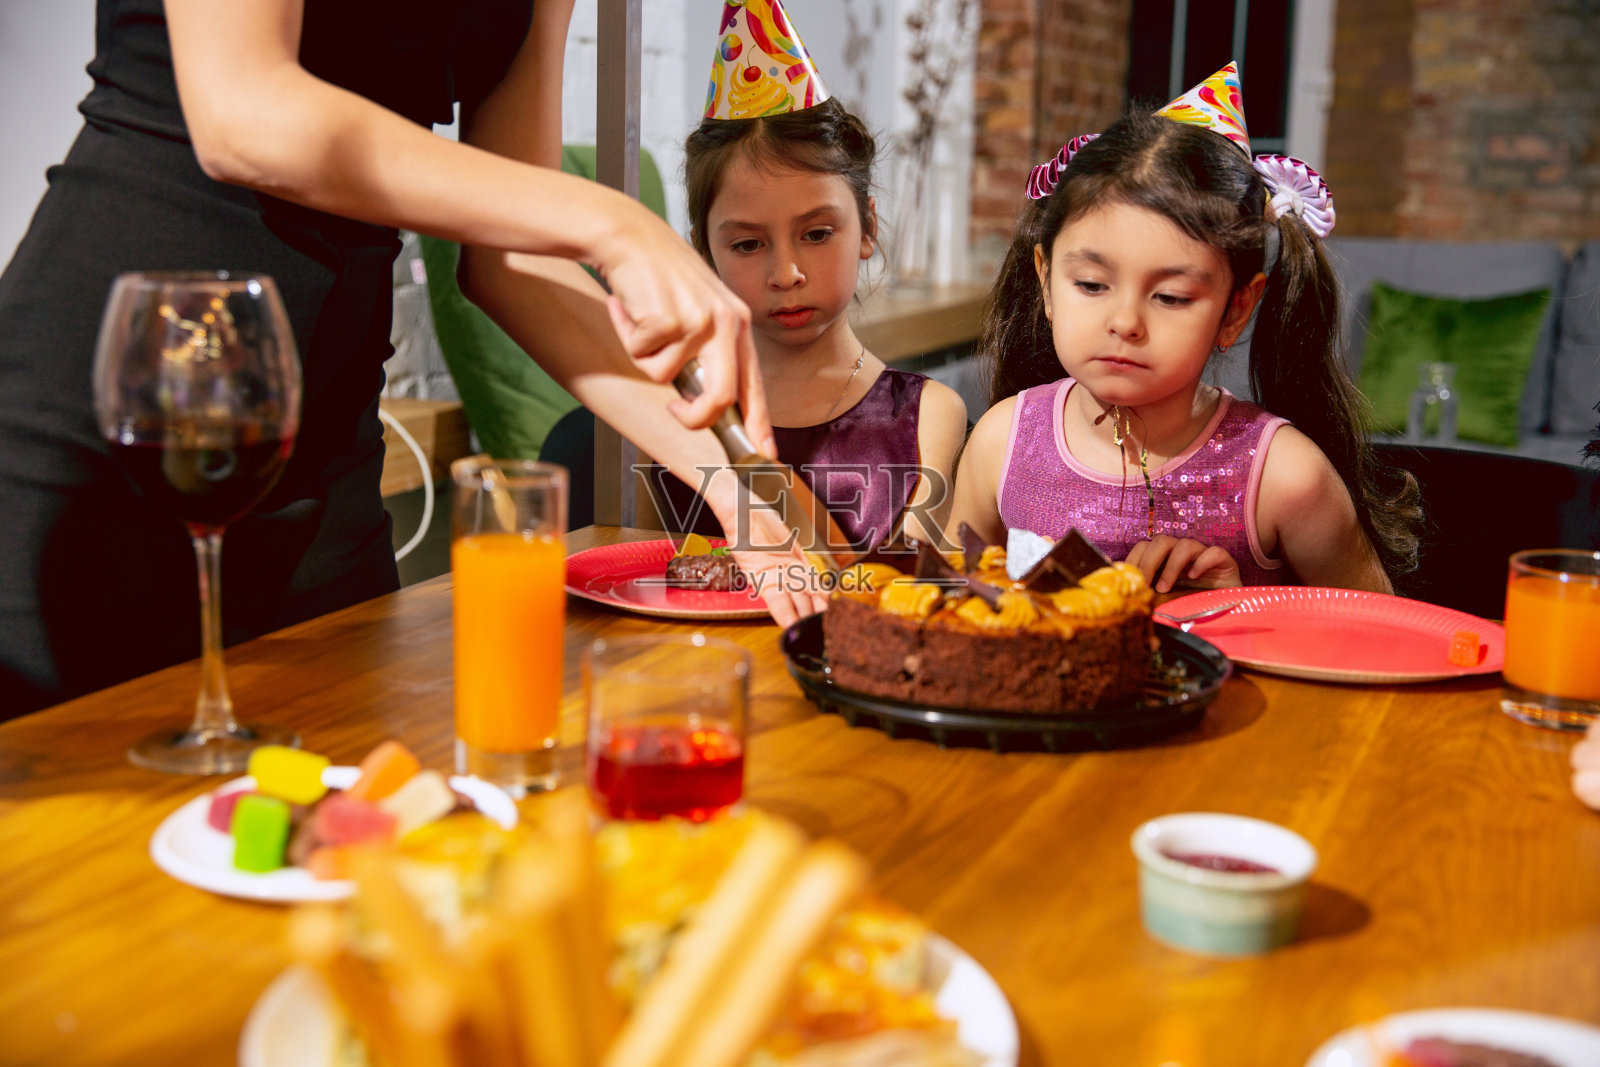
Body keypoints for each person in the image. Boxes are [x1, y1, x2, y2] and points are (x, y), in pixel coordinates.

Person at [0, 0, 815, 718]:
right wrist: (617, 222)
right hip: (117, 422)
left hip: (322, 453)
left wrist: (737, 486)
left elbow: (513, 263)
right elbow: (241, 112)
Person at [948, 63, 1419, 593]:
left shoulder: (1284, 479)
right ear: (1047, 282)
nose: (1125, 322)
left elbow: (1376, 645)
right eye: (1092, 285)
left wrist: (1239, 609)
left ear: (1237, 309)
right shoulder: (1002, 443)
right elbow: (942, 609)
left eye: (1170, 297)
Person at [646, 0, 967, 552]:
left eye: (817, 233)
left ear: (867, 227)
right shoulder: (674, 409)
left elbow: (900, 593)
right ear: (705, 252)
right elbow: (646, 573)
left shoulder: (925, 416)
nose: (786, 273)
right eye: (747, 244)